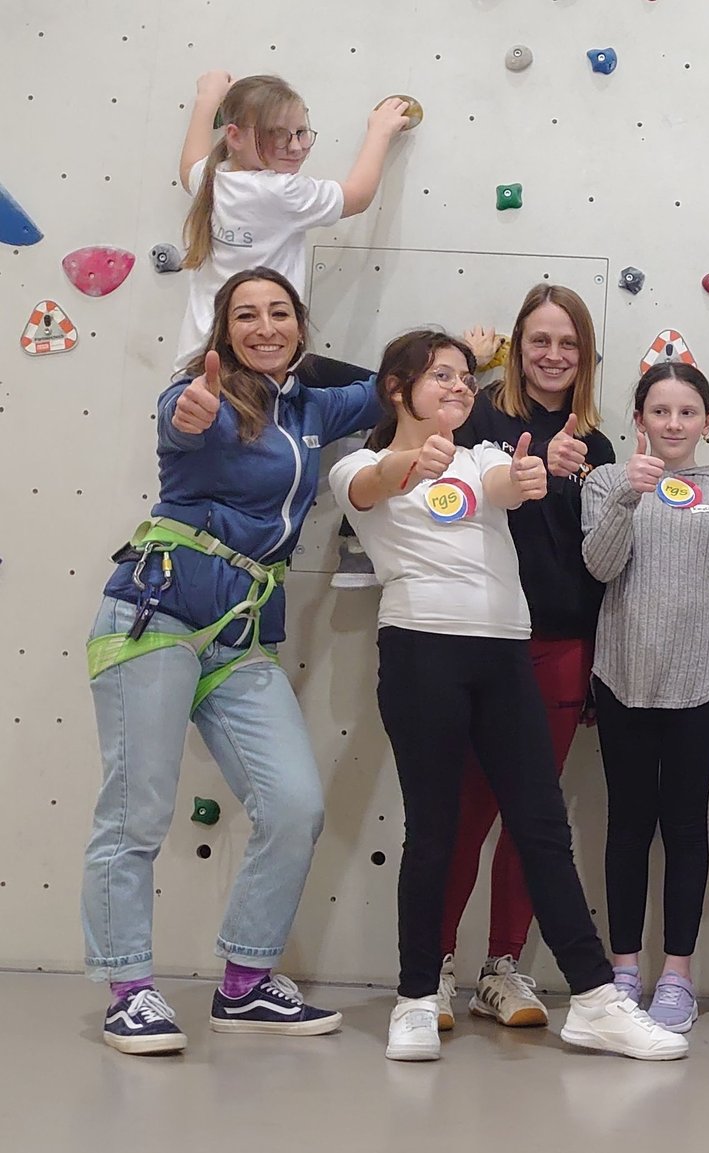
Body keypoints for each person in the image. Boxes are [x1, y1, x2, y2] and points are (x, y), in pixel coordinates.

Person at [332, 328, 685, 1063]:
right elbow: (370, 487)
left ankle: (592, 1001)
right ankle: (416, 997)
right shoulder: (362, 464)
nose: (459, 388)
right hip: (420, 651)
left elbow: (500, 483)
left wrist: (524, 479)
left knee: (541, 828)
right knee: (433, 829)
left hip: (502, 656)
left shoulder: (486, 454)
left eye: (465, 377)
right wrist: (411, 460)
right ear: (399, 389)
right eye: (441, 377)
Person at [83, 268, 370, 1055]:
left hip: (240, 633)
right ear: (222, 330)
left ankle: (244, 983)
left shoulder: (314, 406)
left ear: (302, 326)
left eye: (280, 313)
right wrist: (190, 408)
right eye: (246, 314)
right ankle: (129, 989)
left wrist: (465, 358)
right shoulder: (200, 396)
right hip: (158, 612)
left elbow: (392, 388)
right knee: (136, 812)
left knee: (294, 805)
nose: (265, 326)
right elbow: (176, 421)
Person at [420, 286, 614, 1033]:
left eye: (568, 343)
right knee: (466, 811)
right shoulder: (478, 415)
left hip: (563, 645)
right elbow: (420, 414)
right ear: (517, 346)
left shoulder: (594, 442)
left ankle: (502, 967)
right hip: (485, 639)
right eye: (539, 340)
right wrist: (469, 359)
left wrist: (575, 478)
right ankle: (432, 964)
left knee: (536, 822)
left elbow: (596, 561)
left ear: (585, 353)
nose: (554, 355)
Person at [173, 70, 412, 588]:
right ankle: (354, 538)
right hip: (249, 363)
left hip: (208, 361)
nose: (296, 147)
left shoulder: (215, 181)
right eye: (278, 136)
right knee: (397, 392)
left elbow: (189, 162)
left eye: (302, 133)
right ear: (234, 136)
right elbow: (356, 196)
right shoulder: (277, 191)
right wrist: (380, 129)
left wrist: (207, 98)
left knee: (231, 478)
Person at [581, 361, 709, 1035]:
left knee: (685, 828)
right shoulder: (606, 482)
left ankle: (677, 974)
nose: (674, 423)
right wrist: (628, 493)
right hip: (623, 675)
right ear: (640, 420)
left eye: (688, 412)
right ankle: (623, 967)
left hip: (703, 684)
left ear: (708, 423)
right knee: (627, 825)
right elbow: (598, 565)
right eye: (660, 411)